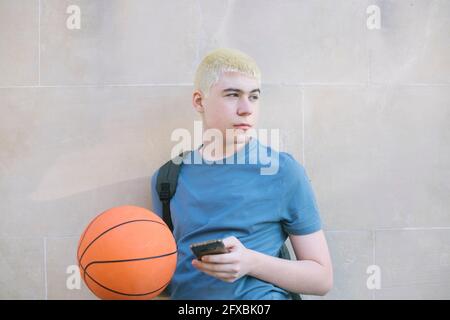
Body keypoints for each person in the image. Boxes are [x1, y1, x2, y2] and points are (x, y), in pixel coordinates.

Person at [150, 48, 333, 299]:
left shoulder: (281, 171)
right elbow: (163, 271)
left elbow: (321, 279)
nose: (246, 109)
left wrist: (252, 262)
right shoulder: (167, 178)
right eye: (233, 95)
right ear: (199, 101)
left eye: (254, 97)